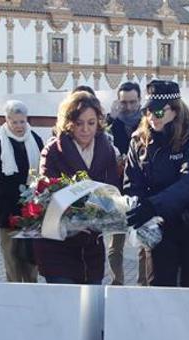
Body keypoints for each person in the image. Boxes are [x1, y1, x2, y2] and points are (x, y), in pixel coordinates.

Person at [125, 80, 189, 287]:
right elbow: (132, 182)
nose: (151, 117)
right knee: (159, 291)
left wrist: (153, 205)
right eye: (147, 111)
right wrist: (137, 206)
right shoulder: (139, 142)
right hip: (159, 228)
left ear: (175, 110)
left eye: (158, 112)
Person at [35, 90, 119, 284]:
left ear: (99, 122)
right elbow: (46, 195)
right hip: (58, 246)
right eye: (79, 123)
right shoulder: (53, 151)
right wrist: (76, 218)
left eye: (91, 123)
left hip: (92, 248)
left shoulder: (106, 150)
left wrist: (105, 214)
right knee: (64, 309)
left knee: (90, 308)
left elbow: (113, 190)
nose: (85, 129)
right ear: (68, 123)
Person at [0, 100, 44, 283]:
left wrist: (32, 201)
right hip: (8, 213)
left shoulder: (35, 140)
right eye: (15, 122)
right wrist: (20, 198)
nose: (19, 126)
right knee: (12, 263)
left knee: (31, 263)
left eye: (22, 121)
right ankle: (14, 301)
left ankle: (31, 301)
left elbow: (41, 175)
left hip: (32, 213)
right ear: (7, 120)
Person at [106, 82, 141, 285]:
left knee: (144, 242)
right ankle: (117, 282)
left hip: (139, 189)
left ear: (139, 100)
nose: (128, 107)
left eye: (132, 102)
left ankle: (144, 284)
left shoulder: (148, 122)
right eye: (124, 102)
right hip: (116, 191)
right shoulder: (110, 124)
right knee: (115, 244)